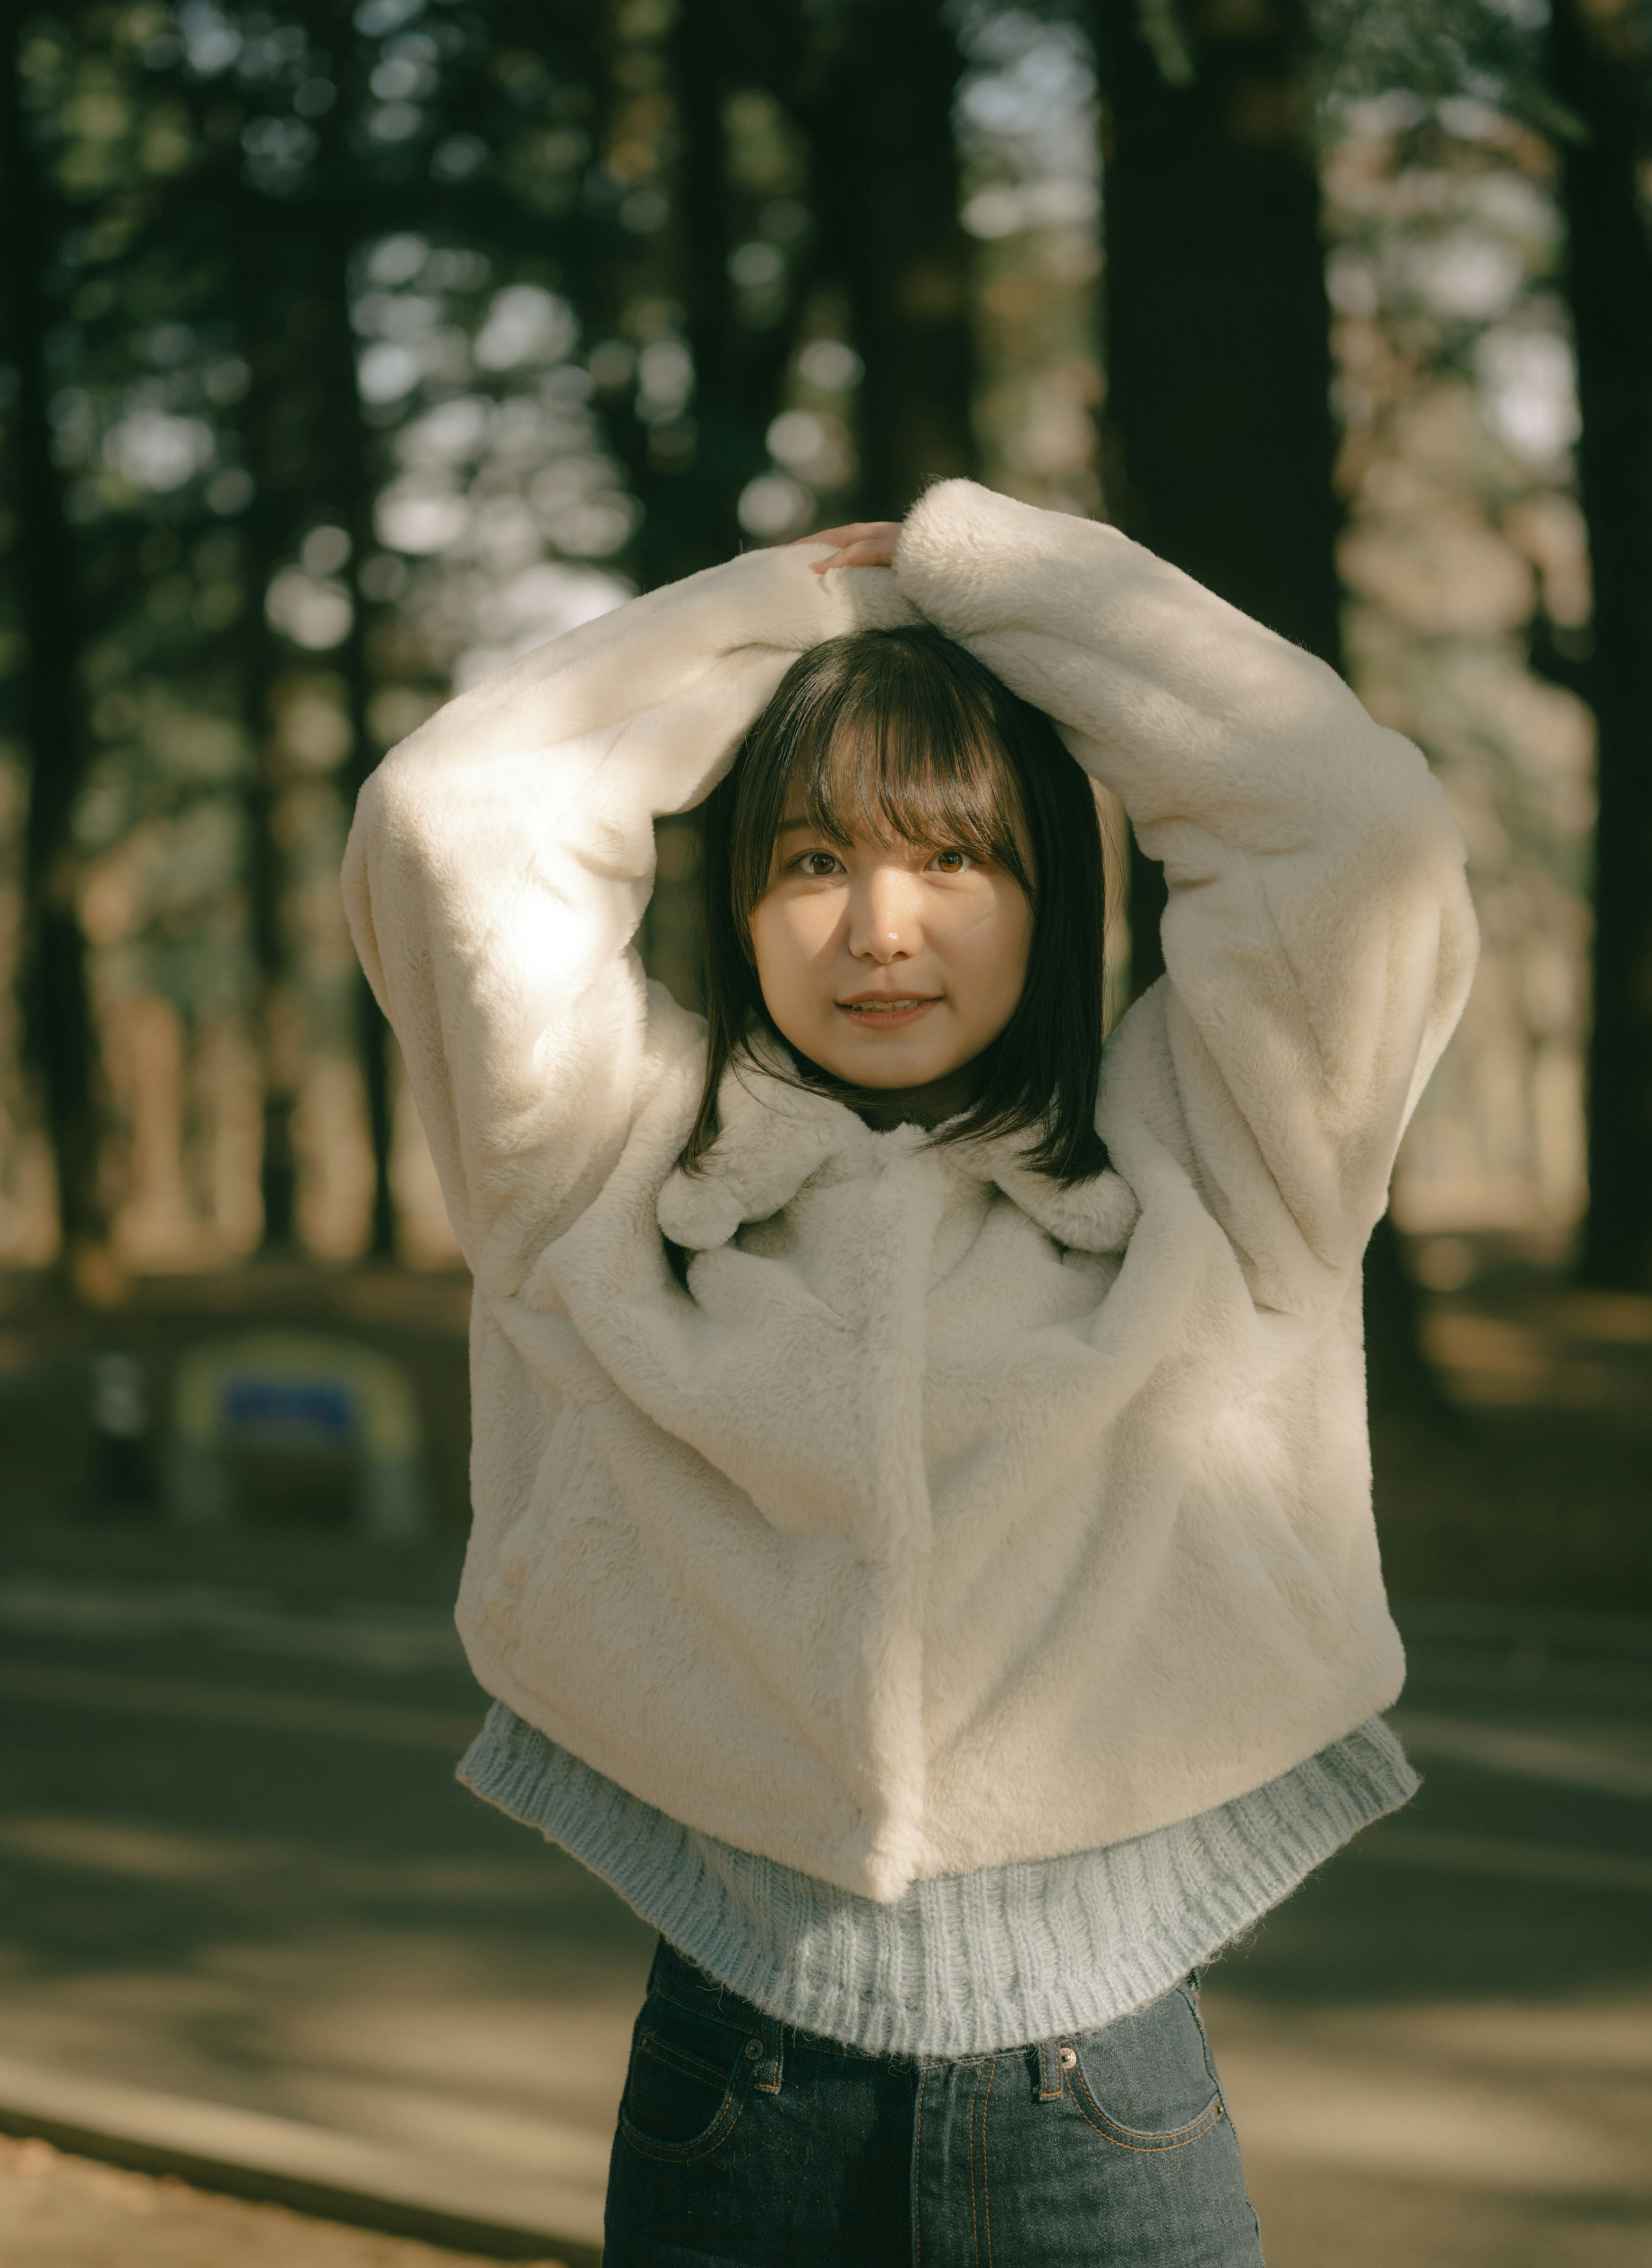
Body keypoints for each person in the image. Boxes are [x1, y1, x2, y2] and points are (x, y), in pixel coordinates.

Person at [343, 481, 1478, 2265]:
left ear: (1051, 887)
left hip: (1106, 2107)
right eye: (812, 860)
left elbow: (1354, 831)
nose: (881, 926)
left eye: (957, 857)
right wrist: (788, 607)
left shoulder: (1222, 1166)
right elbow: (449, 821)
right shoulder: (599, 1174)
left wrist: (990, 570)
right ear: (739, 889)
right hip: (736, 2087)